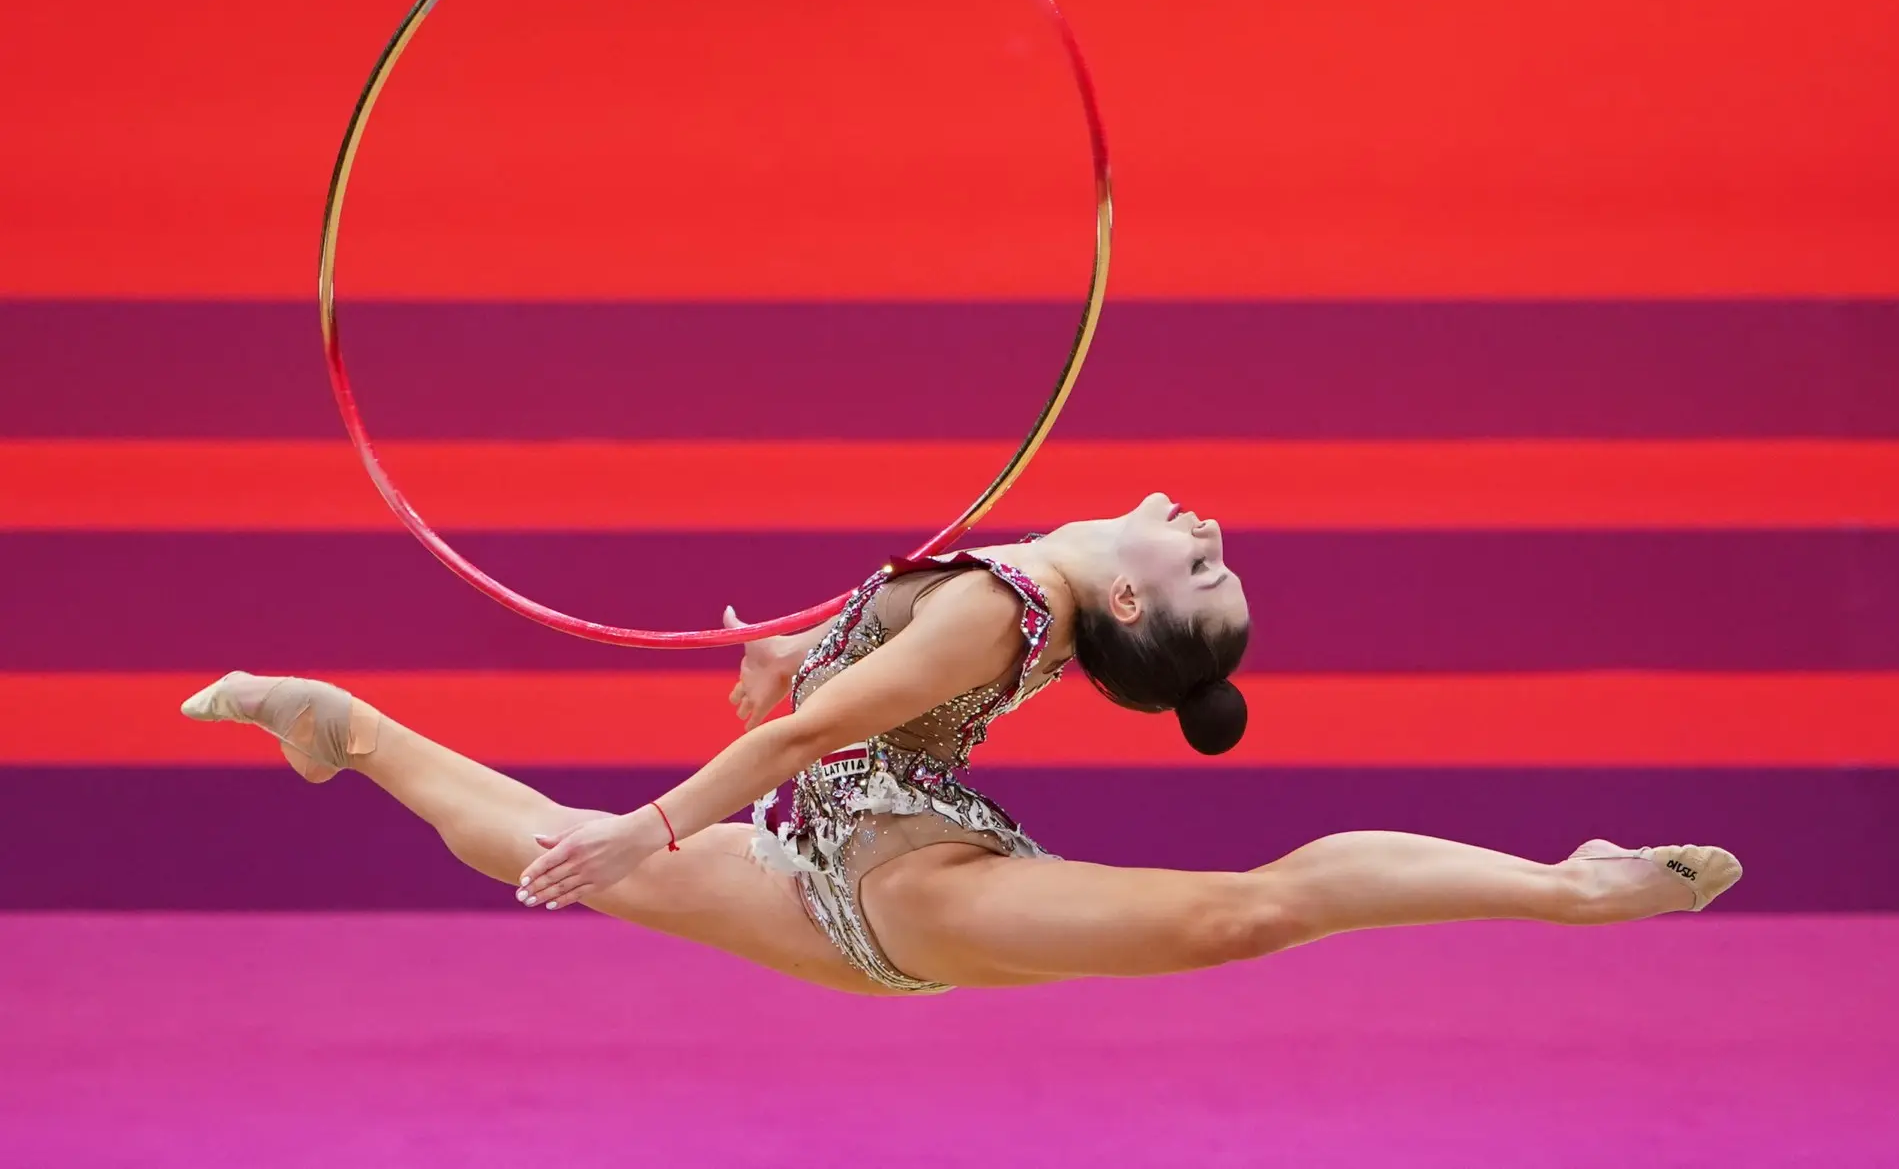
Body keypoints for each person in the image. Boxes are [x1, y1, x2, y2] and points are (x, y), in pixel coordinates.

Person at [181, 492, 1740, 996]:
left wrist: (652, 823)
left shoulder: (1007, 613)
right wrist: (805, 640)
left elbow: (817, 728)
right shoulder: (1031, 586)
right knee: (539, 847)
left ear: (1128, 593)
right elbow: (836, 692)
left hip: (906, 880)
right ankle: (352, 731)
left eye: (1203, 562)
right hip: (835, 856)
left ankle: (1564, 883)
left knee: (1243, 909)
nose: (1203, 522)